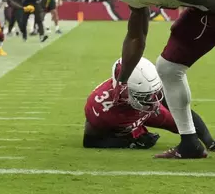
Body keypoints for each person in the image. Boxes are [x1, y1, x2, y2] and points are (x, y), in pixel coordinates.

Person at [79, 0, 215, 158]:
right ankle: (190, 143)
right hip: (203, 4)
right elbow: (136, 35)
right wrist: (122, 82)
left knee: (170, 68)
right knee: (169, 68)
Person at [83, 57, 215, 151]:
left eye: (154, 93)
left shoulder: (148, 89)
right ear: (124, 91)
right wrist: (130, 142)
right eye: (145, 96)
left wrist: (210, 142)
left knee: (184, 124)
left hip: (137, 111)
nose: (153, 101)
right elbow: (90, 141)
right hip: (123, 117)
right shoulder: (102, 109)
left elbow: (185, 115)